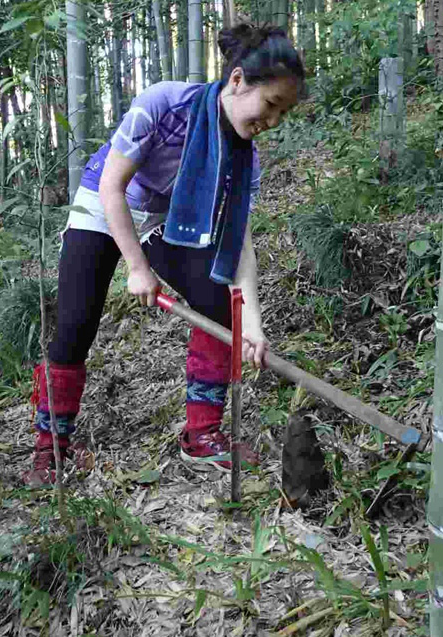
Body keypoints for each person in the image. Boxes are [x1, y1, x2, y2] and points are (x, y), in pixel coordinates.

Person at [23, 23, 305, 487]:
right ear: (236, 81)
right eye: (270, 105)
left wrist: (250, 321)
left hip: (161, 217)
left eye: (283, 113)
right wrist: (136, 268)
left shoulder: (244, 156)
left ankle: (202, 436)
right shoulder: (164, 103)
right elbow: (113, 186)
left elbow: (240, 242)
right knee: (75, 325)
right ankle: (50, 448)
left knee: (218, 301)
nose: (272, 121)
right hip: (102, 204)